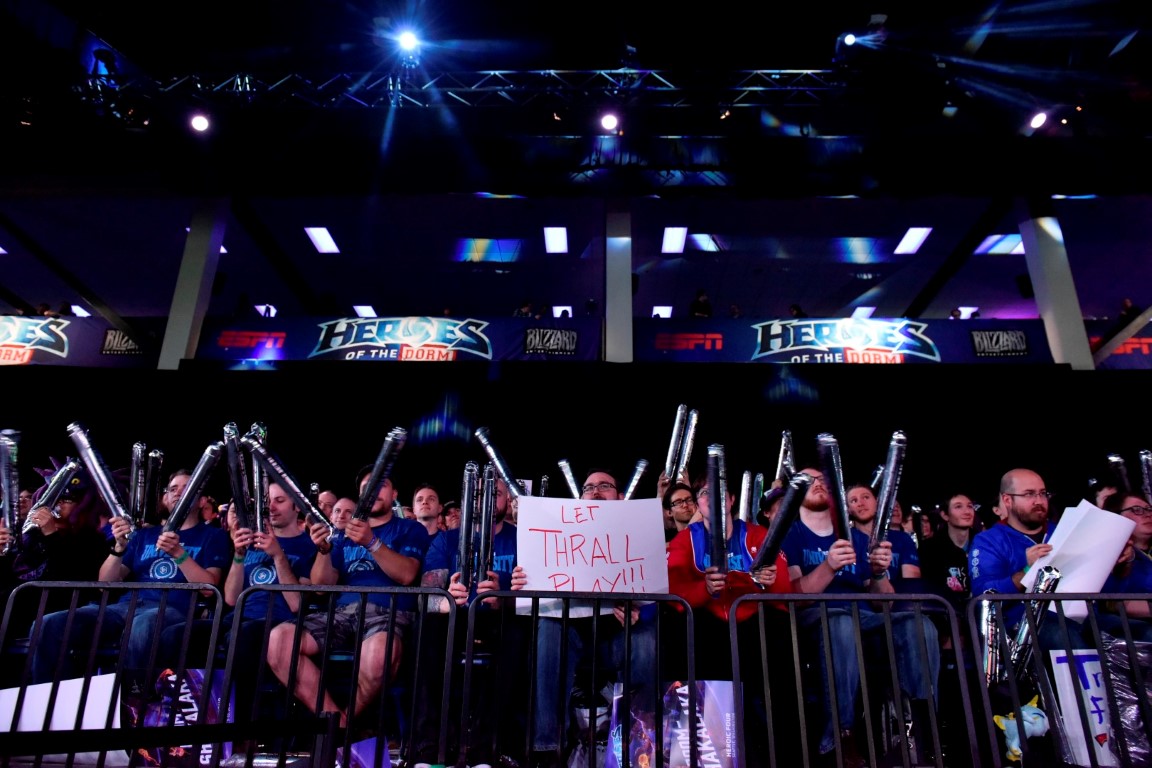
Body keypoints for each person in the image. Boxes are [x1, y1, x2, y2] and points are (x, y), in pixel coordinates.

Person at [781, 466, 939, 767]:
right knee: (841, 622)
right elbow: (795, 596)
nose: (817, 484)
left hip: (863, 617)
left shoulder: (854, 536)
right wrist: (829, 566)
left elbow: (883, 602)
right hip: (817, 617)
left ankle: (918, 731)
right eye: (807, 481)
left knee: (918, 624)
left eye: (822, 479)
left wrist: (879, 573)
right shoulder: (791, 533)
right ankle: (840, 736)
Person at [30, 469, 231, 685]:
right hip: (126, 606)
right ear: (165, 497)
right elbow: (105, 584)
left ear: (202, 501)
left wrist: (179, 554)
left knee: (143, 626)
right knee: (50, 623)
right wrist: (119, 548)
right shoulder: (144, 535)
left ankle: (135, 698)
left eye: (187, 488)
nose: (178, 493)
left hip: (175, 608)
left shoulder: (214, 535)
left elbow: (208, 588)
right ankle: (51, 697)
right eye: (173, 489)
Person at [512, 468, 657, 768]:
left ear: (620, 497)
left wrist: (640, 612)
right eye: (588, 488)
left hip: (618, 636)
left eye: (604, 486)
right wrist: (523, 582)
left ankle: (638, 743)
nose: (595, 492)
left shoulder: (641, 532)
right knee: (548, 627)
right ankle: (548, 748)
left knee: (645, 639)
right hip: (572, 635)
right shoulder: (558, 532)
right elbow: (537, 584)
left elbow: (658, 594)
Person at [266, 469, 431, 726]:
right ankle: (337, 723)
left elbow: (407, 575)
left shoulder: (410, 528)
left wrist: (371, 542)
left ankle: (344, 724)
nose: (373, 491)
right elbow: (321, 587)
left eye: (381, 485)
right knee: (279, 641)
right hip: (342, 612)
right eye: (367, 487)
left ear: (394, 494)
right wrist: (324, 549)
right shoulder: (342, 536)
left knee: (379, 656)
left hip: (388, 611)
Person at [666, 476, 800, 766]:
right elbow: (673, 590)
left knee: (775, 662)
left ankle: (781, 756)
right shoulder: (684, 540)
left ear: (731, 499)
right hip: (709, 631)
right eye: (705, 492)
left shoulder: (757, 534)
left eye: (719, 491)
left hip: (753, 627)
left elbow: (783, 589)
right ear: (698, 504)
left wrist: (767, 582)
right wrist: (704, 588)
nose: (712, 497)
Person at [412, 477, 521, 768]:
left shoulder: (522, 537)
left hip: (501, 620)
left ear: (507, 501)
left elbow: (537, 598)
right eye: (480, 493)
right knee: (426, 629)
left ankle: (486, 749)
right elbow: (425, 598)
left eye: (496, 493)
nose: (487, 499)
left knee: (516, 635)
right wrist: (446, 600)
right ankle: (429, 748)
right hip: (456, 620)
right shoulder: (447, 540)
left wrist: (503, 600)